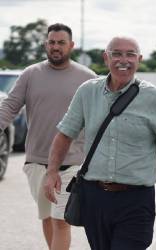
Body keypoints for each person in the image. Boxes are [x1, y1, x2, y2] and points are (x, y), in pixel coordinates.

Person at [44, 36, 156, 250]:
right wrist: (52, 171)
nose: (124, 59)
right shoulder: (87, 91)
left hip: (136, 200)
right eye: (117, 54)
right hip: (95, 196)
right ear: (106, 58)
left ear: (139, 59)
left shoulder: (155, 99)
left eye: (130, 54)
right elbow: (65, 133)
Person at [0, 23, 97, 250]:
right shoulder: (30, 74)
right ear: (46, 44)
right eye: (52, 42)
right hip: (36, 161)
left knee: (61, 221)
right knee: (47, 218)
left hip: (72, 162)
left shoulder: (88, 77)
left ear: (71, 46)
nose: (56, 47)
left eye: (61, 43)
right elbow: (10, 105)